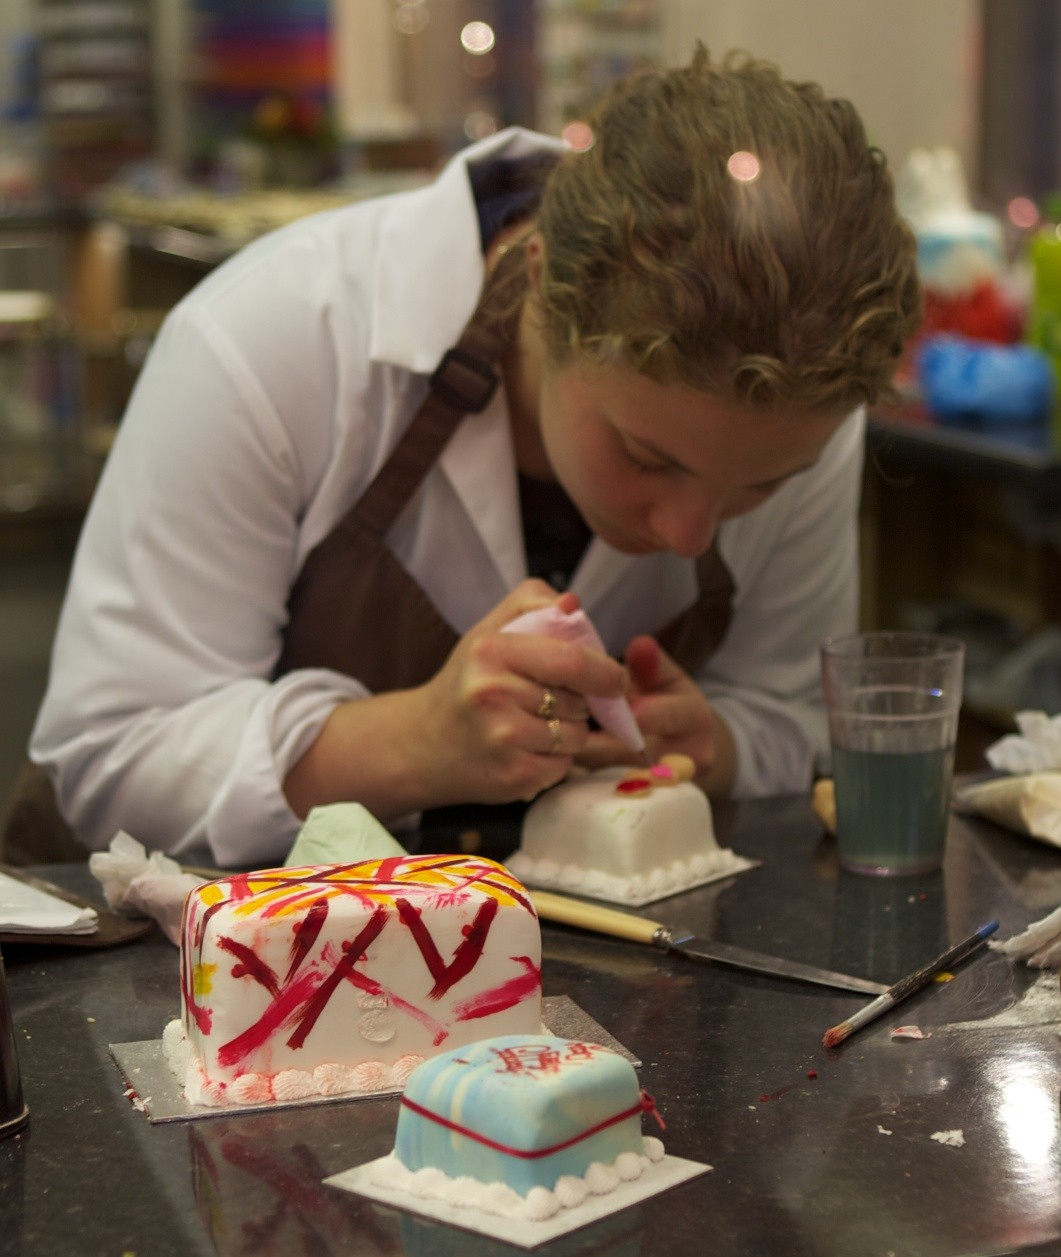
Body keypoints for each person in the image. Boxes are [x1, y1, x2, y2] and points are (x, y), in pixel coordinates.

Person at [20, 46, 920, 869]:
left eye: (760, 486)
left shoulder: (803, 407)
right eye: (647, 457)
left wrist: (711, 744)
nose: (688, 534)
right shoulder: (272, 339)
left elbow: (789, 716)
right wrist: (414, 742)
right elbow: (111, 757)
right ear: (540, 287)